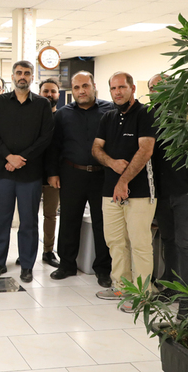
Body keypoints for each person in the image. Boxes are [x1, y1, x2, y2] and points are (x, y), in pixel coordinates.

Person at [92, 71, 156, 308]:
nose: (117, 92)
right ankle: (121, 286)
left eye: (122, 87)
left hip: (140, 191)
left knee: (139, 244)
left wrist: (123, 181)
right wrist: (111, 163)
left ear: (132, 89)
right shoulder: (107, 117)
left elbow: (146, 150)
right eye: (113, 88)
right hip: (110, 191)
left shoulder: (145, 113)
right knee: (115, 241)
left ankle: (142, 294)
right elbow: (96, 149)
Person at [0, 61, 54, 283]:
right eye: (18, 73)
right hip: (2, 173)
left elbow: (45, 138)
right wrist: (9, 157)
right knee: (1, 220)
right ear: (12, 76)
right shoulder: (0, 102)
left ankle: (26, 265)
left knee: (28, 222)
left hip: (30, 173)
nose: (22, 76)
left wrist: (20, 159)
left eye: (26, 73)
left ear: (32, 77)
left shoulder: (42, 104)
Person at [47, 71, 113, 287]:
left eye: (85, 86)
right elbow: (54, 147)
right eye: (76, 87)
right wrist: (53, 173)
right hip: (71, 174)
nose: (81, 91)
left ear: (93, 86)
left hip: (102, 175)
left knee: (102, 223)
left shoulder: (110, 110)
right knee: (69, 220)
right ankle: (67, 265)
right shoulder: (62, 115)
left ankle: (103, 269)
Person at [148, 74, 188, 309]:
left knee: (186, 243)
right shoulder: (149, 116)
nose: (157, 91)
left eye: (163, 86)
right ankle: (171, 287)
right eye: (153, 88)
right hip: (161, 192)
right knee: (168, 240)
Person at [38, 78, 61, 268]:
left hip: (54, 175)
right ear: (39, 93)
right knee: (29, 215)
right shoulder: (32, 117)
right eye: (46, 91)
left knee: (50, 215)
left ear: (58, 95)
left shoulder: (62, 117)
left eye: (53, 91)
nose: (49, 94)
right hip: (32, 174)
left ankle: (48, 250)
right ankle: (27, 251)